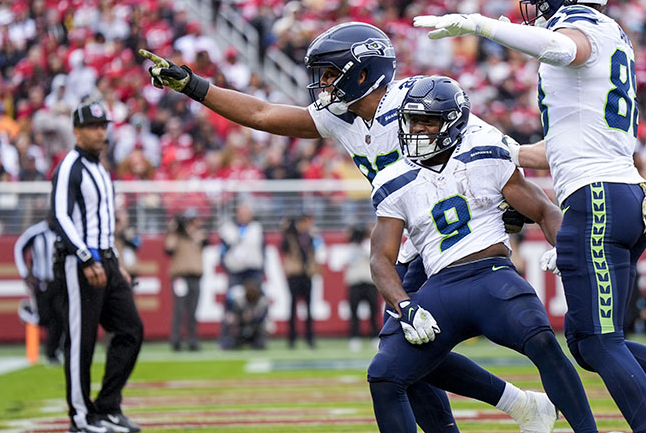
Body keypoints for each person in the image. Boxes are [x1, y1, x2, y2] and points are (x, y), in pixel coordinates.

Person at [139, 23, 556, 433]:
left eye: (329, 73)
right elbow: (263, 114)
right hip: (411, 244)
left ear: (362, 73)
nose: (322, 84)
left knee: (399, 358)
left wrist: (527, 187)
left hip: (447, 240)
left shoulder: (416, 100)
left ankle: (523, 403)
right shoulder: (343, 116)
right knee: (408, 355)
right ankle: (522, 404)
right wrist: (194, 86)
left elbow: (502, 152)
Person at [414, 0, 646, 433]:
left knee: (601, 342)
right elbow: (559, 151)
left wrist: (480, 24)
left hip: (597, 199)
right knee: (590, 340)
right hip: (617, 194)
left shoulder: (583, 29)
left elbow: (563, 48)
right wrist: (486, 146)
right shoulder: (611, 35)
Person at [367, 75, 595, 433]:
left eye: (428, 121)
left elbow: (544, 210)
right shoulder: (393, 179)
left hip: (494, 278)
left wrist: (565, 249)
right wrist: (404, 305)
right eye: (412, 120)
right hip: (441, 285)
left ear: (453, 123)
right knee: (384, 374)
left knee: (542, 341)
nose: (418, 129)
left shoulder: (486, 153)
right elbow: (381, 257)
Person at [49, 101, 143, 433]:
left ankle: (107, 408)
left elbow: (104, 222)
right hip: (79, 263)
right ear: (77, 131)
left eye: (104, 126)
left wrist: (115, 260)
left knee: (131, 330)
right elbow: (59, 216)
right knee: (82, 340)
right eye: (93, 126)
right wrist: (86, 256)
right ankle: (80, 416)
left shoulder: (102, 169)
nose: (100, 132)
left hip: (107, 259)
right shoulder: (70, 166)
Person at [14, 217, 64, 365]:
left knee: (59, 317)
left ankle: (52, 353)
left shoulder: (62, 231)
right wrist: (25, 273)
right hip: (41, 282)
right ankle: (27, 312)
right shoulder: (36, 231)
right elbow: (19, 247)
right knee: (44, 318)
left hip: (58, 281)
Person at [165, 208, 206, 352]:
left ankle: (192, 340)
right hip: (180, 277)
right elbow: (168, 248)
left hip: (195, 276)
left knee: (193, 311)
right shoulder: (176, 236)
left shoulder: (198, 235)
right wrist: (173, 230)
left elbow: (204, 241)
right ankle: (176, 340)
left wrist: (190, 232)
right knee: (179, 310)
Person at [281, 215, 320, 349]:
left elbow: (315, 249)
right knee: (293, 307)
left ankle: (309, 337)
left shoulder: (309, 237)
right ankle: (292, 338)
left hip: (306, 274)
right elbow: (284, 246)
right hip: (295, 274)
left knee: (308, 308)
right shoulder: (291, 236)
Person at [345, 224, 380, 350]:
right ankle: (355, 337)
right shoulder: (351, 247)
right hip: (355, 281)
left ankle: (375, 336)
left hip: (369, 281)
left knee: (373, 311)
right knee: (354, 312)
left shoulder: (368, 244)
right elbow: (348, 260)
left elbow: (372, 257)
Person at [219, 201, 265, 288]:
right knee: (235, 296)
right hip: (235, 269)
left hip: (253, 269)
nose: (244, 216)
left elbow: (263, 249)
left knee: (254, 296)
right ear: (237, 214)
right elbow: (223, 249)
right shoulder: (228, 228)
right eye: (242, 213)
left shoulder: (257, 228)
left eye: (246, 213)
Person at [220, 278, 269, 350]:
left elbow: (263, 318)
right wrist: (240, 318)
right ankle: (225, 341)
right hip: (240, 329)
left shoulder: (262, 302)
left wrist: (253, 317)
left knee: (261, 343)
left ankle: (258, 341)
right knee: (228, 321)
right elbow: (232, 316)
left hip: (256, 329)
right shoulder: (239, 301)